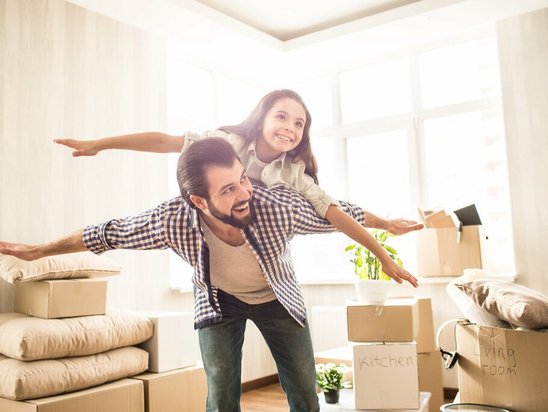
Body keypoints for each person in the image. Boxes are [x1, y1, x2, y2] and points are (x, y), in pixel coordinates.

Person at [0, 138, 419, 412]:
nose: (245, 194)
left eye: (242, 180)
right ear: (199, 201)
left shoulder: (277, 207)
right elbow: (106, 233)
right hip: (220, 302)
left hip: (278, 299)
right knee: (220, 395)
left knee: (305, 392)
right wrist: (38, 251)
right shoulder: (170, 220)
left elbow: (335, 213)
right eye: (228, 190)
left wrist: (386, 224)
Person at [54, 89, 423, 285]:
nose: (290, 128)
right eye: (282, 117)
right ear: (261, 118)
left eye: (299, 124)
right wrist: (100, 144)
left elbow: (334, 212)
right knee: (130, 227)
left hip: (259, 245)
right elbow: (165, 141)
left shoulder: (293, 171)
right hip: (214, 228)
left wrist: (384, 251)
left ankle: (384, 224)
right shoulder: (227, 142)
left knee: (322, 210)